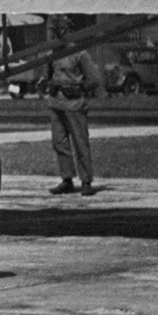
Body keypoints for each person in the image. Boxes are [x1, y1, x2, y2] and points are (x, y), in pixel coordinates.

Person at [44, 15, 105, 196]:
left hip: (74, 103)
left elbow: (94, 80)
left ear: (65, 31)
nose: (53, 36)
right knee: (59, 142)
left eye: (56, 31)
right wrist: (49, 84)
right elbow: (48, 76)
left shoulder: (80, 54)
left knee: (80, 143)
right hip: (57, 103)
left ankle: (86, 180)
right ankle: (67, 178)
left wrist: (75, 87)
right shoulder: (53, 54)